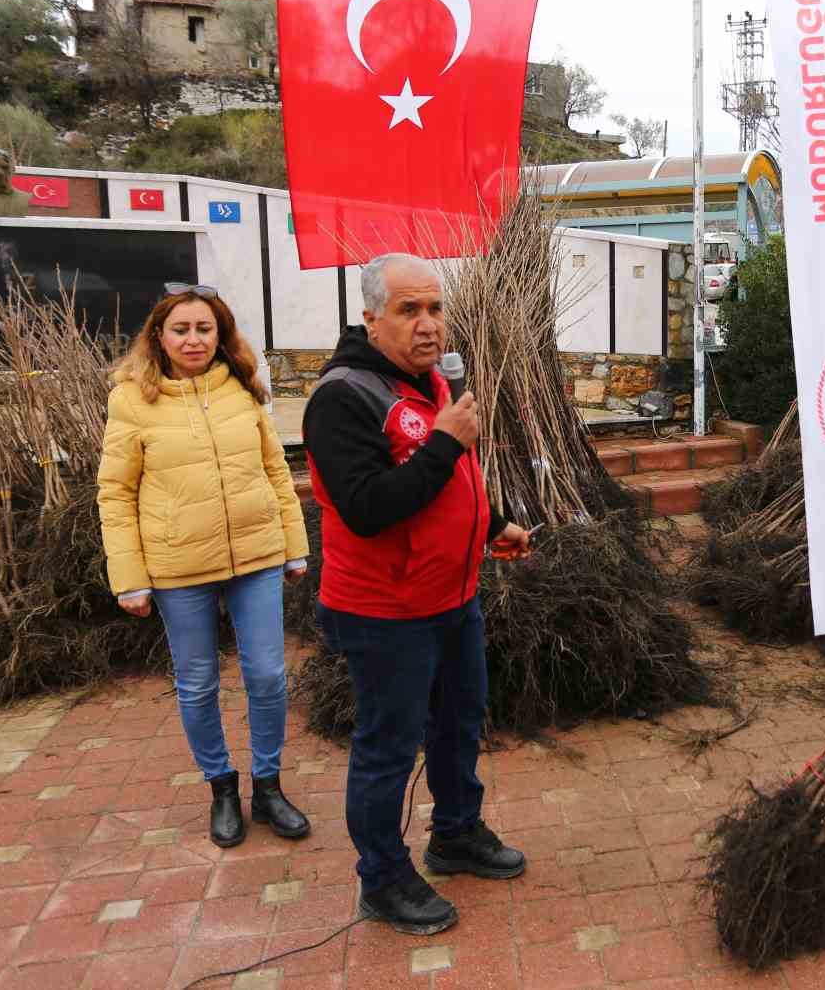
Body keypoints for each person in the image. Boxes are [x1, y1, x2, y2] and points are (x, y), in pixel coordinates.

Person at [303, 253, 532, 937]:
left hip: (452, 596)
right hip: (384, 613)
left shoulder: (432, 380)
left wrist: (492, 526)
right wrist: (443, 441)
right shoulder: (341, 398)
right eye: (410, 310)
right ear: (372, 316)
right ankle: (382, 878)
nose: (428, 324)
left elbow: (450, 480)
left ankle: (456, 834)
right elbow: (369, 507)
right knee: (388, 747)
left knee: (460, 723)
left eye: (435, 308)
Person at [97, 283, 312, 849]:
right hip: (176, 565)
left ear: (220, 334)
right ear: (159, 337)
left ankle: (267, 786)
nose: (193, 339)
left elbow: (275, 470)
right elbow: (115, 493)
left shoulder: (244, 389)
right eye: (181, 329)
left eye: (204, 328)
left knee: (267, 674)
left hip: (257, 554)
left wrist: (294, 546)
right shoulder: (131, 399)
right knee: (197, 683)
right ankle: (221, 787)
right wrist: (130, 578)